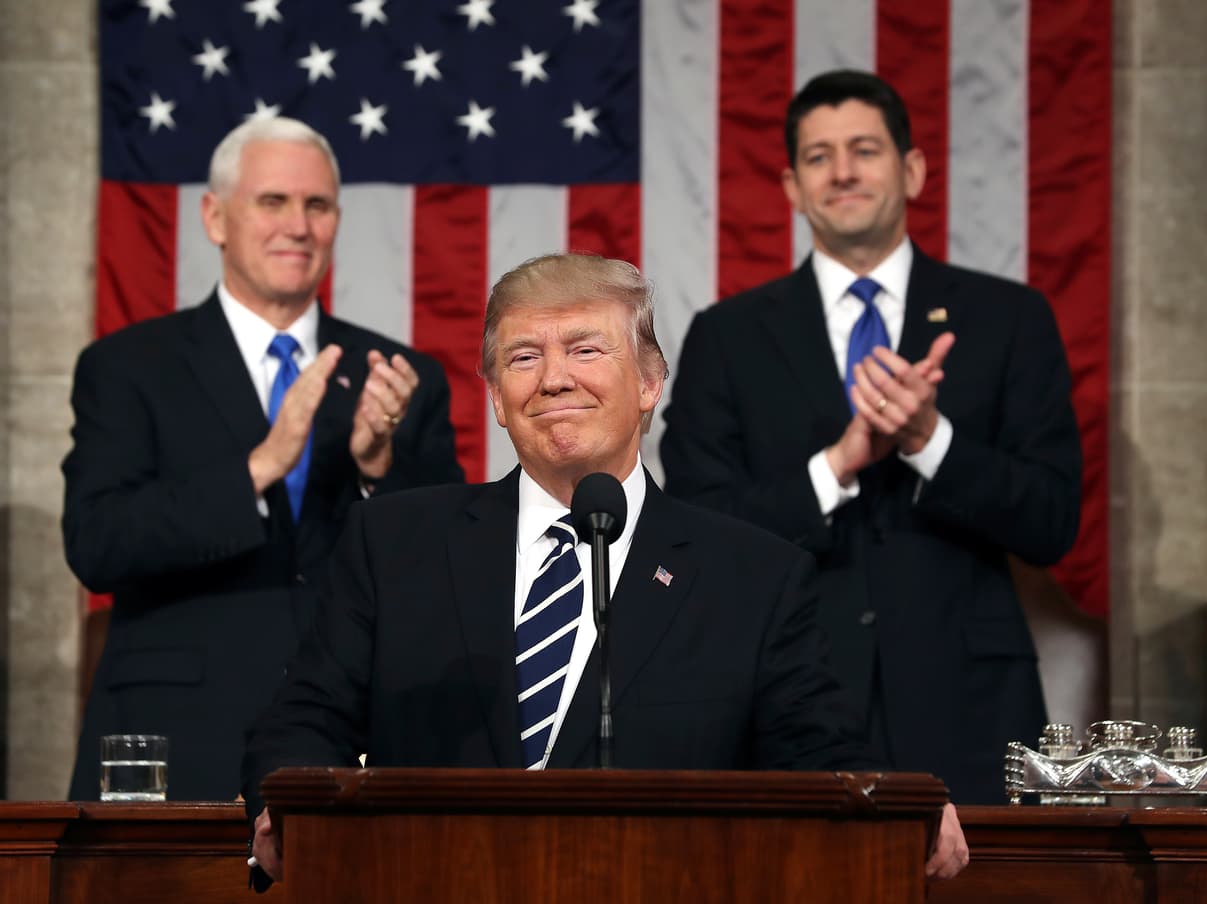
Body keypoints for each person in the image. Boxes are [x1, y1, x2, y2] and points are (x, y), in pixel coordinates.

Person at [241, 253, 968, 885]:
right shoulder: (395, 541)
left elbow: (821, 753)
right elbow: (304, 719)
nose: (553, 378)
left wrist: (899, 806)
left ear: (650, 383)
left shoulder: (753, 573)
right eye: (523, 357)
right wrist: (283, 804)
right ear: (495, 397)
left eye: (586, 350)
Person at [660, 70, 1083, 804]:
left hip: (970, 712)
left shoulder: (1007, 319)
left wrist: (930, 440)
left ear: (912, 169)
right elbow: (697, 530)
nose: (844, 171)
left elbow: (1051, 522)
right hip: (790, 703)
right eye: (820, 157)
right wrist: (836, 466)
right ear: (792, 187)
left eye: (865, 149)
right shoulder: (726, 337)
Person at [63, 117, 464, 801]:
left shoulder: (399, 378)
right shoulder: (128, 367)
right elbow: (98, 543)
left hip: (349, 744)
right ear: (215, 218)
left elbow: (449, 569)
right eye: (272, 202)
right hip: (179, 741)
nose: (299, 226)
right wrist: (258, 467)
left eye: (317, 206)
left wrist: (377, 468)